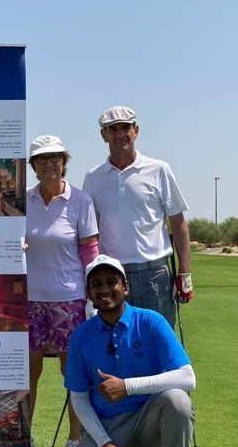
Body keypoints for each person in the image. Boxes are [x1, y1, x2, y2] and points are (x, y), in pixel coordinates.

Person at [63, 255, 196, 447]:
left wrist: (128, 386)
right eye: (96, 284)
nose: (104, 289)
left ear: (126, 287)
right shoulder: (81, 336)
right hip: (106, 428)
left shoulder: (151, 322)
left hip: (148, 424)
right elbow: (78, 398)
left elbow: (187, 378)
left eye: (112, 282)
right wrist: (103, 443)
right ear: (88, 293)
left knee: (178, 401)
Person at [23, 135, 99, 447]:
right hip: (30, 298)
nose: (50, 164)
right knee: (29, 371)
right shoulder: (22, 200)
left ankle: (74, 439)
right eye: (42, 159)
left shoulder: (80, 201)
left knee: (73, 372)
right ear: (34, 167)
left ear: (64, 162)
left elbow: (90, 251)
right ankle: (23, 436)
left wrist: (92, 297)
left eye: (56, 158)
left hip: (70, 298)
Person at [82, 106, 193, 328]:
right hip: (111, 277)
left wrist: (184, 272)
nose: (120, 134)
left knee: (158, 348)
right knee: (115, 348)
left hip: (155, 275)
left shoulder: (159, 169)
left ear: (136, 131)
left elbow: (178, 223)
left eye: (126, 128)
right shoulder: (93, 178)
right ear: (104, 135)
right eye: (113, 129)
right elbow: (89, 234)